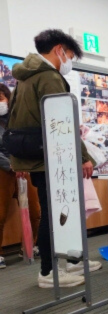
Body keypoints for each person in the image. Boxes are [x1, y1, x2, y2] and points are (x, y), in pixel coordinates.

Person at [7, 29, 99, 288]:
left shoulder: (25, 77)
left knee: (59, 211)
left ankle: (72, 260)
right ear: (59, 50)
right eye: (69, 55)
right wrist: (84, 156)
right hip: (50, 158)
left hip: (36, 156)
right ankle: (48, 272)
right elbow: (64, 123)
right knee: (54, 214)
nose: (68, 61)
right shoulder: (48, 76)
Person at [0, 83, 41, 268]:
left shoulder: (17, 118)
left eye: (0, 98)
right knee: (0, 214)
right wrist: (11, 165)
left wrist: (22, 164)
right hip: (3, 170)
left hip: (24, 169)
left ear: (8, 99)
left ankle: (30, 246)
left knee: (35, 211)